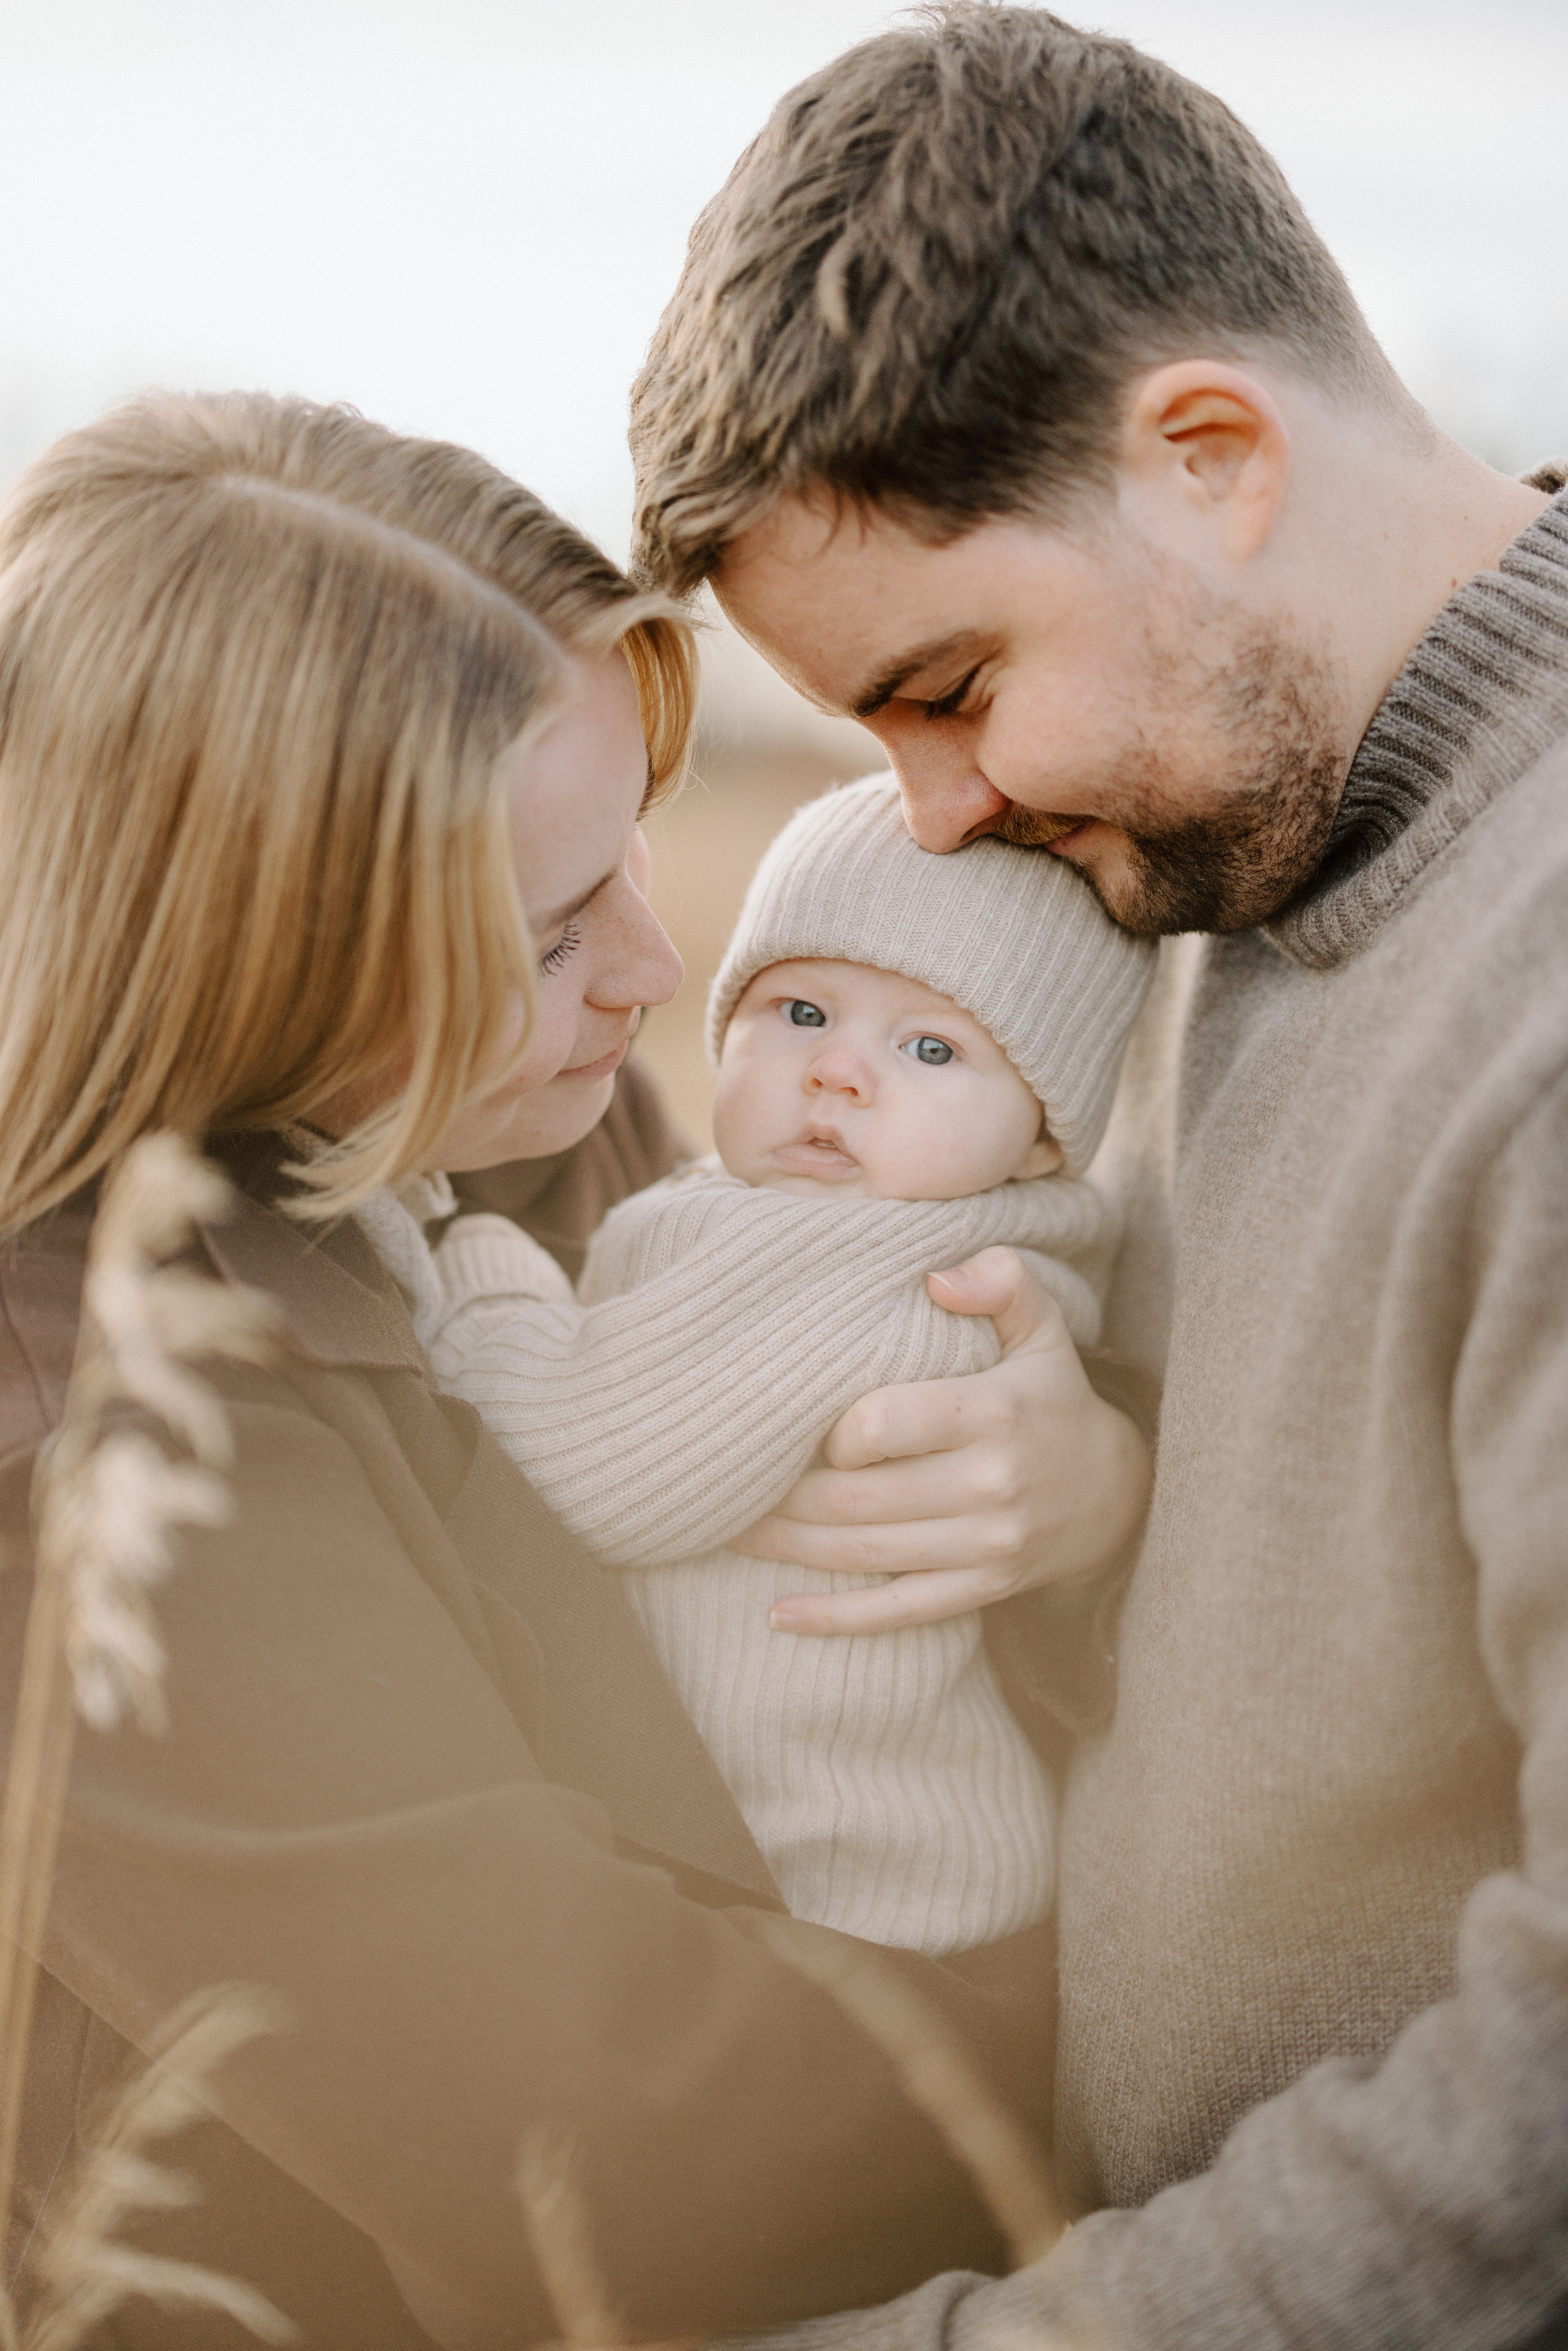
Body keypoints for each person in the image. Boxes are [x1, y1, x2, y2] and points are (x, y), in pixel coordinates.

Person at [0, 389, 1149, 2350]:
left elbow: (805, 1608)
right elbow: (626, 2135)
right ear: (249, 955)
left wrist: (1069, 1493)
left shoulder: (514, 1120)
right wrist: (1208, 2030)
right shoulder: (90, 1447)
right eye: (544, 928)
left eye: (627, 850)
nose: (647, 966)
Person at [628, 5, 1568, 2346]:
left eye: (946, 686)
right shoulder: (1217, 870)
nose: (930, 815)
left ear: (1209, 454)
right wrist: (1094, 1504)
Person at [356, 774, 1153, 1959]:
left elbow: (580, 1463)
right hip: (782, 1864)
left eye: (931, 1045)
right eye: (797, 1010)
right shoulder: (816, 1211)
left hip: (862, 1900)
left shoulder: (885, 1274)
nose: (838, 1071)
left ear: (1039, 1137)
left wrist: (475, 1258)